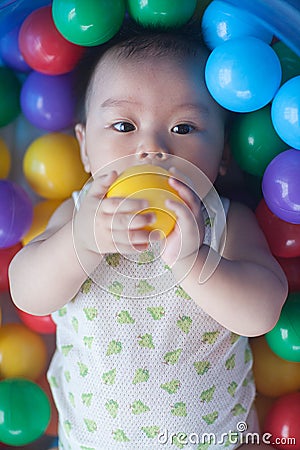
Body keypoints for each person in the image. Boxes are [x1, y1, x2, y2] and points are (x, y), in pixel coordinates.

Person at [9, 20, 288, 450]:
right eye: (123, 126)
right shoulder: (80, 215)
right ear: (84, 148)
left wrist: (193, 263)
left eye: (184, 128)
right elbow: (27, 293)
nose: (152, 148)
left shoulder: (224, 223)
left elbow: (262, 311)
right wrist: (80, 243)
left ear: (224, 155)